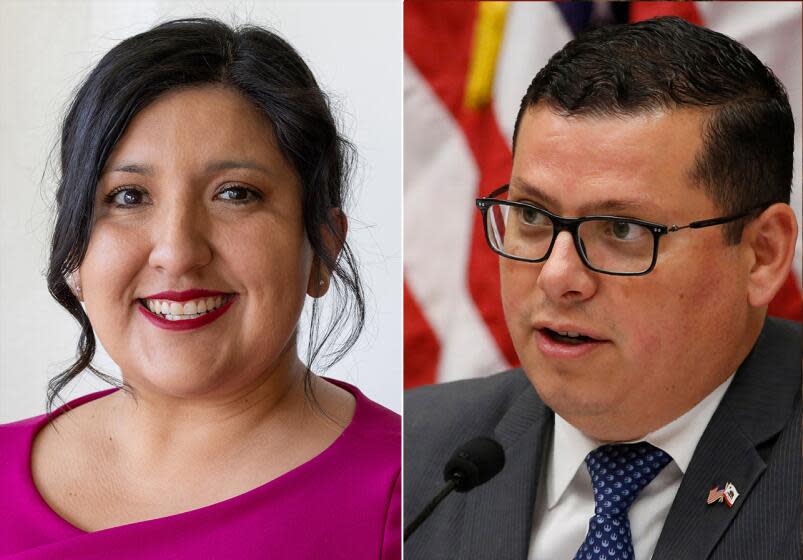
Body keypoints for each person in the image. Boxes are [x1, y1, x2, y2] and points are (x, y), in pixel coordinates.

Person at [0, 18, 399, 559]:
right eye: (128, 197)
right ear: (73, 252)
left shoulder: (416, 491)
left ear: (323, 247)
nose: (178, 251)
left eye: (234, 194)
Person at [404, 16, 800, 560]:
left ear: (763, 254)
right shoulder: (411, 456)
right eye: (531, 215)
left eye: (622, 230)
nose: (557, 275)